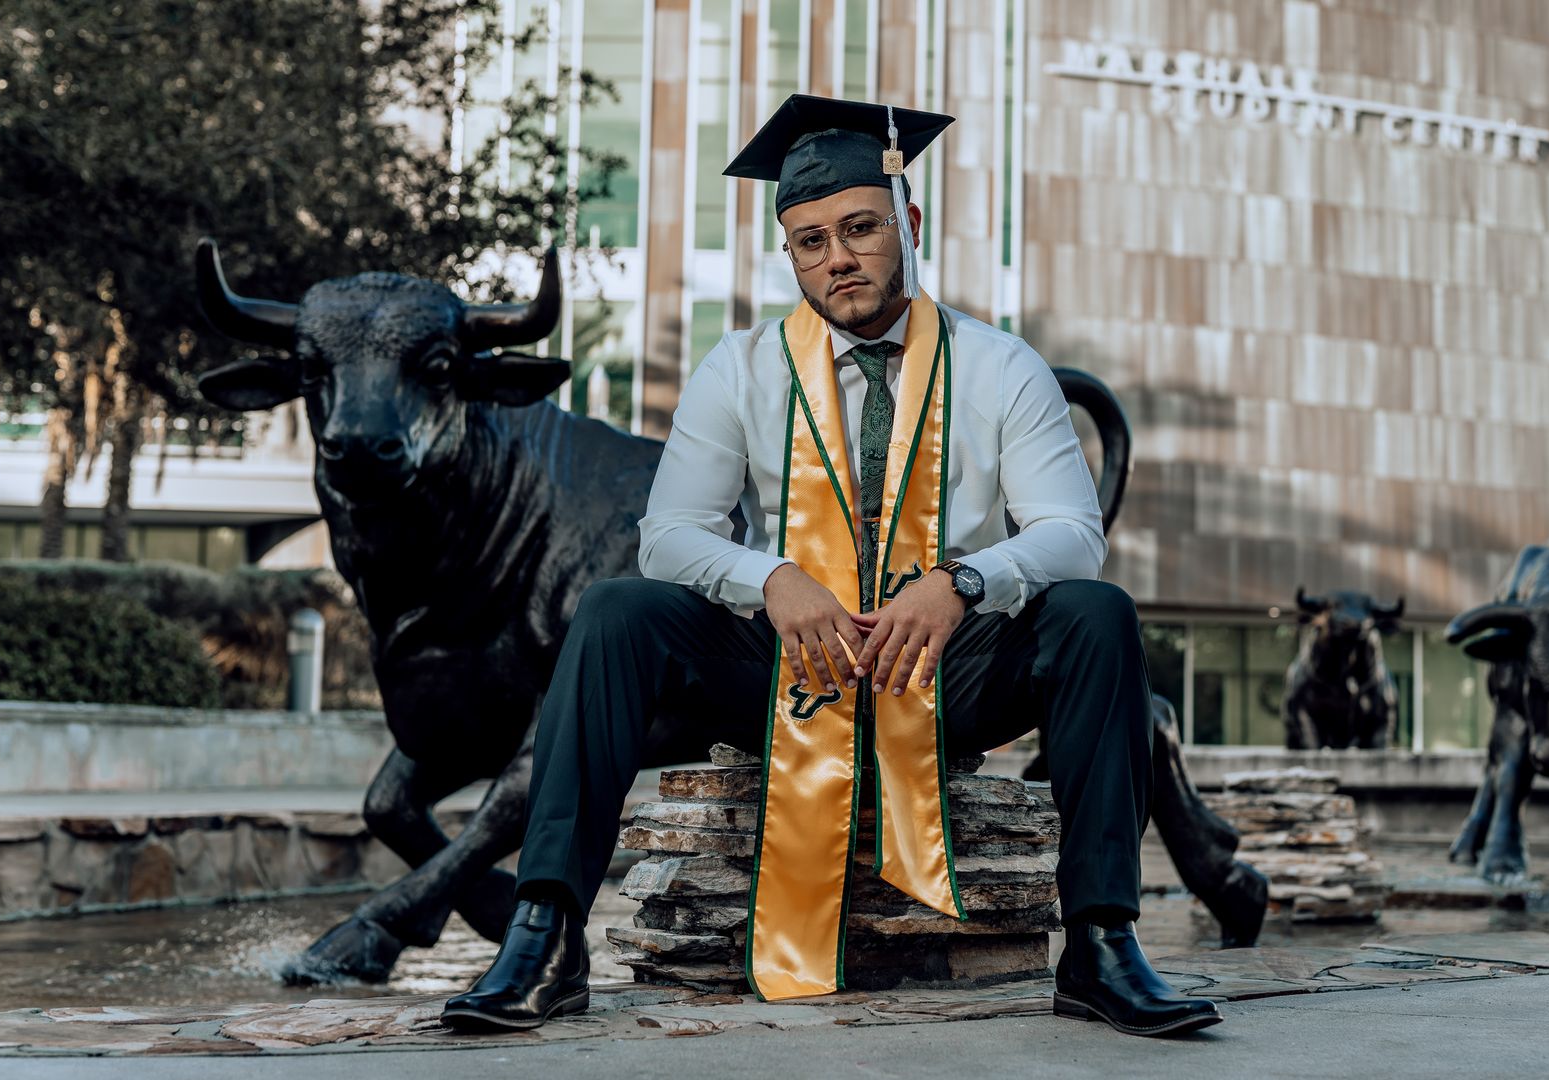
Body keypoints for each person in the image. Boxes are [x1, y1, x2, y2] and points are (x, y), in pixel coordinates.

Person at [442, 94, 1221, 1038]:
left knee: (1096, 611)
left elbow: (1069, 531)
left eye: (859, 229)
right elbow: (671, 535)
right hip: (789, 668)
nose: (836, 259)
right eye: (809, 241)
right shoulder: (740, 367)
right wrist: (770, 580)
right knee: (615, 609)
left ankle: (1101, 945)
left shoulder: (1000, 366)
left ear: (910, 224)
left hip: (943, 664)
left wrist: (962, 584)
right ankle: (546, 935)